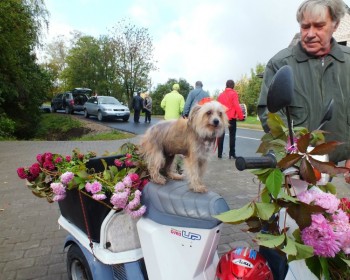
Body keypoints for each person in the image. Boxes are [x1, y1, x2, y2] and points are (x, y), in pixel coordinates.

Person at [257, 0, 350, 182]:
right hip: (297, 169)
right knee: (292, 209)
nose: (310, 34)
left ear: (335, 24)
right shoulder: (280, 63)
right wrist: (297, 154)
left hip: (342, 168)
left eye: (319, 26)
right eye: (305, 26)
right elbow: (270, 114)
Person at [217, 80, 244, 159]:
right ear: (233, 86)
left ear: (226, 85)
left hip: (222, 117)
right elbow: (236, 106)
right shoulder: (234, 94)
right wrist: (241, 116)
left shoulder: (221, 95)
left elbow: (218, 107)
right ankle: (231, 153)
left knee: (221, 135)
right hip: (231, 118)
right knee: (232, 136)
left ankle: (219, 154)